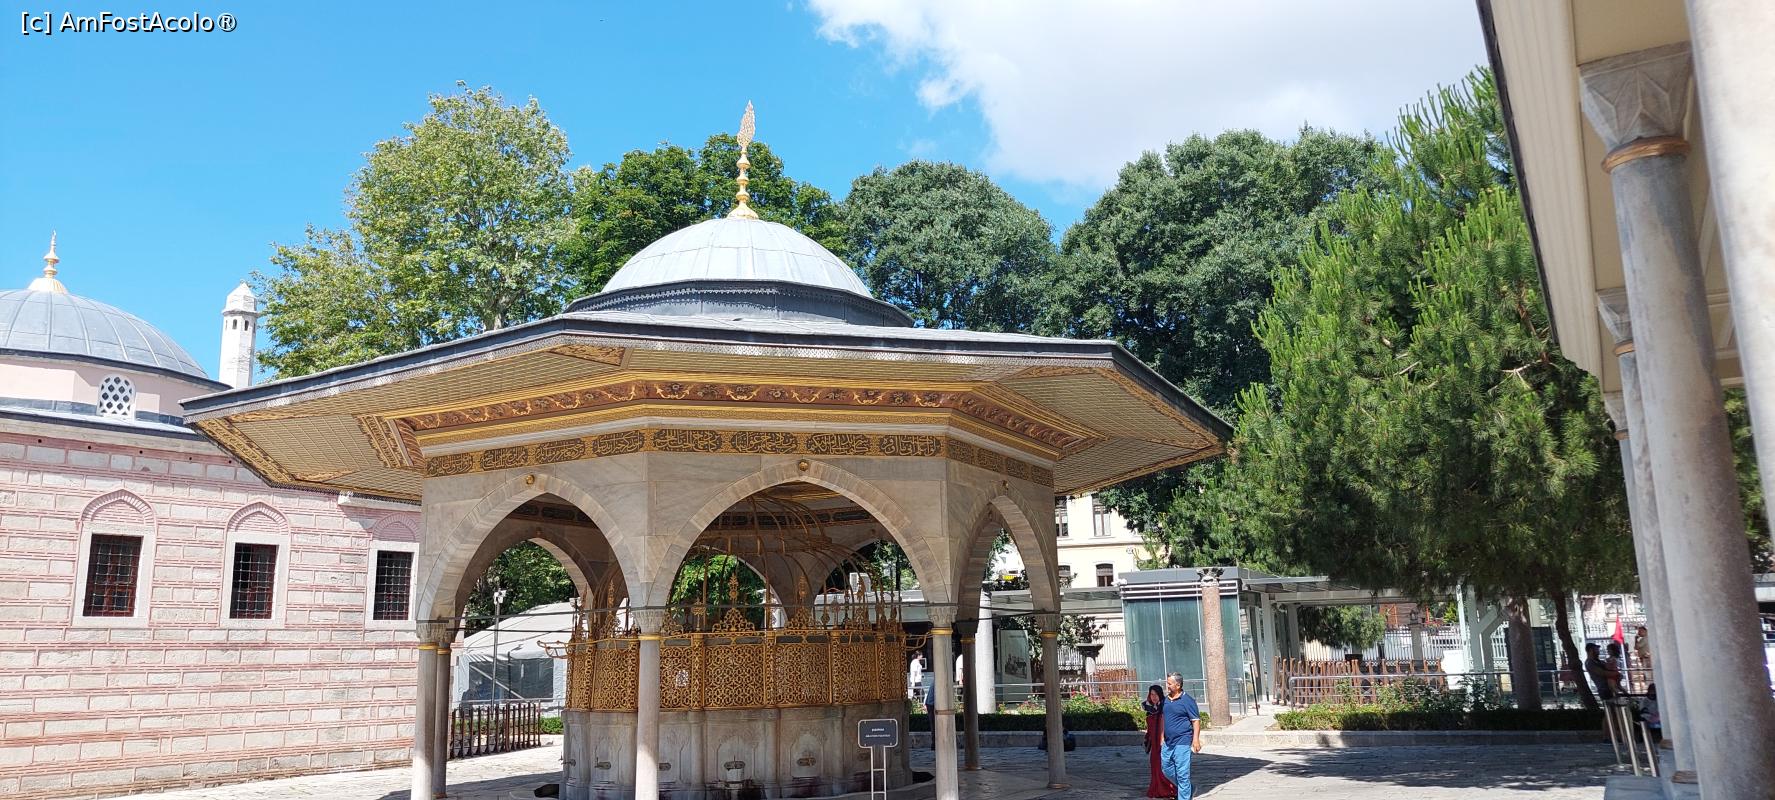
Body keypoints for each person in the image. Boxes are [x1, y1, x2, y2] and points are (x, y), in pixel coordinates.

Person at [1158, 672, 1202, 799]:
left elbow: (1195, 721)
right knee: (1166, 769)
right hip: (1168, 742)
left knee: (1182, 774)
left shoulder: (1188, 701)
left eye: (1169, 683)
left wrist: (1196, 740)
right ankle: (1189, 788)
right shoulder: (1165, 700)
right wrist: (1162, 736)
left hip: (1183, 741)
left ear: (1178, 685)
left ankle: (1184, 796)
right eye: (1167, 683)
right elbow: (1163, 718)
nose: (1167, 686)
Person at [1141, 684, 1177, 798]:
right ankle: (1157, 789)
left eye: (1156, 694)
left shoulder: (1165, 707)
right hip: (1154, 743)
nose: (1154, 697)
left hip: (1164, 741)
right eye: (1152, 694)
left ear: (1160, 695)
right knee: (1155, 765)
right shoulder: (1150, 708)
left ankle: (1169, 789)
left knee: (1164, 765)